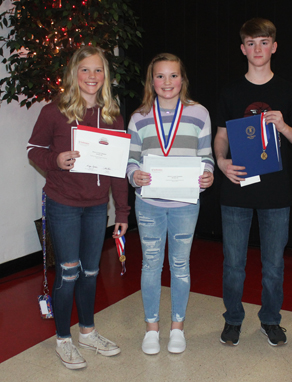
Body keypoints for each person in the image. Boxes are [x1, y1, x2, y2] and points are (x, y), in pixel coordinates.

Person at [27, 46, 130, 369]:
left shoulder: (112, 114)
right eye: (85, 69)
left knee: (91, 273)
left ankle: (87, 331)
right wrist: (55, 160)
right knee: (68, 273)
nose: (92, 76)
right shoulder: (54, 110)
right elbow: (34, 150)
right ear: (74, 72)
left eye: (98, 70)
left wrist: (123, 213)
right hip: (64, 204)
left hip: (97, 207)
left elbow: (118, 169)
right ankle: (63, 339)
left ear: (105, 76)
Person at [214, 18, 292, 347]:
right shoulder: (230, 92)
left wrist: (283, 126)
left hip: (276, 193)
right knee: (233, 265)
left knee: (273, 266)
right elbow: (221, 136)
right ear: (243, 49)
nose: (258, 49)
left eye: (264, 42)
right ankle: (233, 319)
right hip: (236, 189)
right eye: (251, 43)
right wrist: (221, 161)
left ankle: (270, 319)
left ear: (274, 46)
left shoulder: (289, 91)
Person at [127, 53, 214, 355]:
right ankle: (152, 327)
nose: (167, 82)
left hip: (185, 204)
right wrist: (133, 175)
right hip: (148, 203)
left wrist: (208, 175)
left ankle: (178, 326)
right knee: (150, 264)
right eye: (160, 76)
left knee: (180, 265)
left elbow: (207, 156)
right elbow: (131, 158)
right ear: (151, 81)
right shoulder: (139, 116)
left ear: (183, 79)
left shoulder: (199, 113)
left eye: (173, 75)